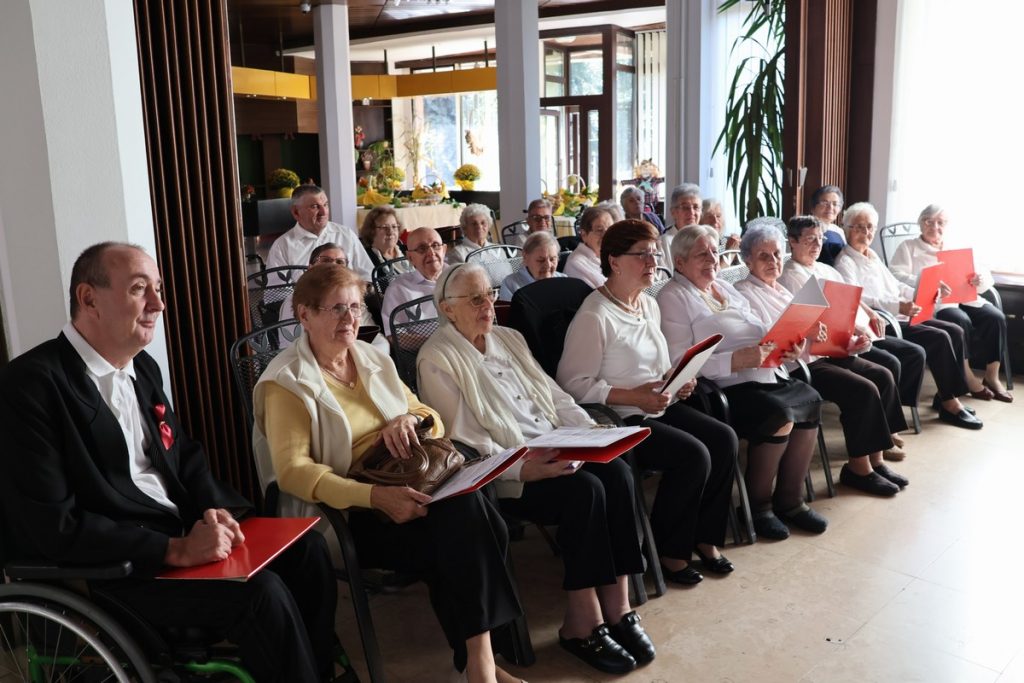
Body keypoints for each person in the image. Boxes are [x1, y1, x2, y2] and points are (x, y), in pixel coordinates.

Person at [0, 242, 339, 683]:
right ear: (89, 299)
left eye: (158, 289)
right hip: (114, 568)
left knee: (307, 553)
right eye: (141, 289)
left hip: (175, 531)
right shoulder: (30, 386)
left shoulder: (141, 369)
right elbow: (52, 525)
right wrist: (174, 549)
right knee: (261, 595)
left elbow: (183, 458)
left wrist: (215, 511)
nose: (159, 304)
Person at [252, 264, 523, 683]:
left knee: (471, 515)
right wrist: (376, 498)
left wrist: (407, 422)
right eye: (336, 308)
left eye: (356, 307)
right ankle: (481, 665)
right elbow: (293, 473)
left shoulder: (372, 357)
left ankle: (478, 662)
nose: (350, 319)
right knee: (472, 525)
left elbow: (427, 412)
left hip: (404, 483)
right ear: (303, 314)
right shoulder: (286, 382)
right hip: (347, 512)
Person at [418, 263, 655, 675]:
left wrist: (593, 434)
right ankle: (583, 621)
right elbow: (466, 442)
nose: (487, 304)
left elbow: (557, 397)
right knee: (586, 492)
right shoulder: (437, 357)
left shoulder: (509, 338)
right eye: (474, 299)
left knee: (616, 472)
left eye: (490, 294)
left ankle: (619, 607)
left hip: (555, 444)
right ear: (447, 308)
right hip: (510, 473)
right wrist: (522, 469)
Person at [558, 220, 738, 580]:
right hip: (621, 418)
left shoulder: (646, 304)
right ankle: (667, 550)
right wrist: (634, 396)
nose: (653, 262)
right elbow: (573, 385)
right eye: (642, 255)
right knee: (692, 455)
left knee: (723, 440)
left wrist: (677, 380)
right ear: (615, 261)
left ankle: (704, 537)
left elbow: (658, 365)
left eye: (654, 254)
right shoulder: (594, 315)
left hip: (657, 405)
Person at [657, 225, 827, 539]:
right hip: (723, 386)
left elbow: (760, 328)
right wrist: (738, 360)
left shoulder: (724, 286)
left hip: (765, 372)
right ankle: (757, 506)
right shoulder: (673, 296)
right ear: (679, 263)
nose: (711, 258)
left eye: (712, 251)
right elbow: (682, 363)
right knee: (779, 414)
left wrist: (786, 347)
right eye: (701, 254)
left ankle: (790, 500)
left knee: (811, 401)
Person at [734, 222, 909, 495]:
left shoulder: (780, 290)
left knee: (882, 375)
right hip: (797, 367)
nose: (773, 262)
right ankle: (858, 469)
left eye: (777, 255)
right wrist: (806, 335)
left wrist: (848, 344)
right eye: (763, 256)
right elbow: (772, 339)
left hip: (814, 355)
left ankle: (876, 460)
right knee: (863, 390)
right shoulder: (745, 293)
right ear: (747, 260)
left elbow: (812, 331)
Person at [779, 215, 925, 461]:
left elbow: (848, 305)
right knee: (867, 384)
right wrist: (847, 333)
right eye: (809, 239)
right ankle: (872, 450)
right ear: (792, 242)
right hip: (814, 353)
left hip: (838, 344)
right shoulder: (790, 276)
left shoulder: (826, 269)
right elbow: (807, 321)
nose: (817, 245)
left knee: (885, 372)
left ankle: (885, 433)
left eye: (820, 239)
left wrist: (858, 330)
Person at [834, 202, 983, 429]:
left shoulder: (872, 255)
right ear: (846, 229)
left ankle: (947, 396)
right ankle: (950, 402)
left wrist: (922, 293)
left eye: (870, 227)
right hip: (884, 321)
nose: (866, 233)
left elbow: (895, 284)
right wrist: (898, 307)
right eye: (859, 227)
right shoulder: (846, 262)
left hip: (900, 314)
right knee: (940, 338)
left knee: (955, 330)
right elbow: (857, 302)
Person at [889, 205, 1011, 402]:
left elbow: (984, 273)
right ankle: (968, 377)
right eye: (929, 221)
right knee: (958, 320)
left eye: (940, 222)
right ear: (921, 223)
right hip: (938, 302)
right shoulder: (908, 246)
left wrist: (979, 279)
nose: (934, 226)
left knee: (995, 317)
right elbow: (895, 275)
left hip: (966, 296)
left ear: (947, 225)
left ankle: (992, 376)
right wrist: (927, 280)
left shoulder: (955, 244)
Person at [278, 243, 388, 353]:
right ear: (310, 267)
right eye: (326, 260)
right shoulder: (296, 301)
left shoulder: (352, 298)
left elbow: (378, 340)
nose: (333, 266)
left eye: (340, 262)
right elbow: (293, 347)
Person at [267, 184, 373, 280]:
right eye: (314, 206)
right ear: (296, 212)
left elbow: (368, 275)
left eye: (325, 205)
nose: (323, 212)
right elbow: (278, 293)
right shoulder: (282, 246)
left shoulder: (346, 235)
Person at [380, 227, 446, 338]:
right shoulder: (398, 289)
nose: (431, 252)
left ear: (444, 250)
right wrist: (439, 342)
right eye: (422, 248)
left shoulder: (460, 277)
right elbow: (395, 337)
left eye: (435, 245)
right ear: (410, 258)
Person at [499, 231, 566, 301]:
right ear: (525, 258)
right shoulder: (510, 285)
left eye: (552, 259)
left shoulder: (564, 280)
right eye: (541, 260)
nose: (548, 265)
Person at [563, 205, 614, 288]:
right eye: (599, 230)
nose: (606, 235)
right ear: (584, 235)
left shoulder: (614, 255)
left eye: (610, 229)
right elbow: (604, 293)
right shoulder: (576, 263)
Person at [358, 206, 411, 274]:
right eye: (384, 227)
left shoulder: (407, 251)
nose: (390, 232)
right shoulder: (367, 259)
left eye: (394, 226)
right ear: (371, 231)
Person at [660, 183, 702, 266]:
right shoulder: (664, 242)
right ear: (673, 212)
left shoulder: (705, 238)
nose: (691, 212)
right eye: (685, 207)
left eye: (696, 207)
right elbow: (667, 277)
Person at [809, 184, 847, 267]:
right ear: (813, 207)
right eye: (825, 203)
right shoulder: (806, 228)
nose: (830, 207)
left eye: (835, 204)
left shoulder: (838, 231)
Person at [700, 198, 740, 263]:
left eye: (718, 216)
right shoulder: (698, 245)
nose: (715, 220)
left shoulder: (726, 240)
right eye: (709, 216)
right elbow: (715, 272)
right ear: (700, 221)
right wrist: (730, 252)